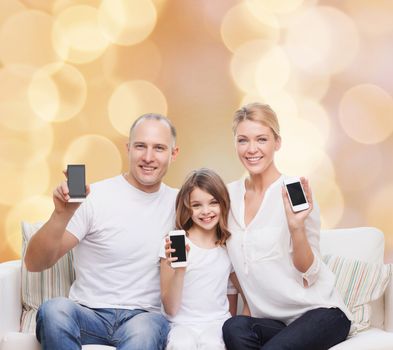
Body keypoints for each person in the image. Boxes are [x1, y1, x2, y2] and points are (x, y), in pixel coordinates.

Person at [24, 113, 179, 350]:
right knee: (53, 310)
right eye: (140, 146)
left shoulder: (182, 205)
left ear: (173, 154)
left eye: (159, 148)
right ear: (128, 149)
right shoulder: (95, 197)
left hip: (143, 317)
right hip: (88, 313)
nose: (148, 157)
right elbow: (34, 262)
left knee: (146, 331)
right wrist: (61, 214)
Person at [222, 103, 352, 350]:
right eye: (243, 140)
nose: (251, 149)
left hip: (320, 313)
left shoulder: (293, 192)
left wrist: (296, 227)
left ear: (277, 142)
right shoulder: (228, 196)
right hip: (274, 323)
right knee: (234, 327)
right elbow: (230, 264)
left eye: (261, 139)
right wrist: (248, 303)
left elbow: (309, 273)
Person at [160, 168, 249, 350]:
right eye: (197, 205)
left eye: (213, 202)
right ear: (187, 207)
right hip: (180, 325)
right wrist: (180, 270)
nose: (206, 211)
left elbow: (242, 292)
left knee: (212, 345)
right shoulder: (173, 244)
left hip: (216, 324)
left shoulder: (227, 247)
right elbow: (170, 309)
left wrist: (241, 321)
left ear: (223, 204)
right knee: (181, 344)